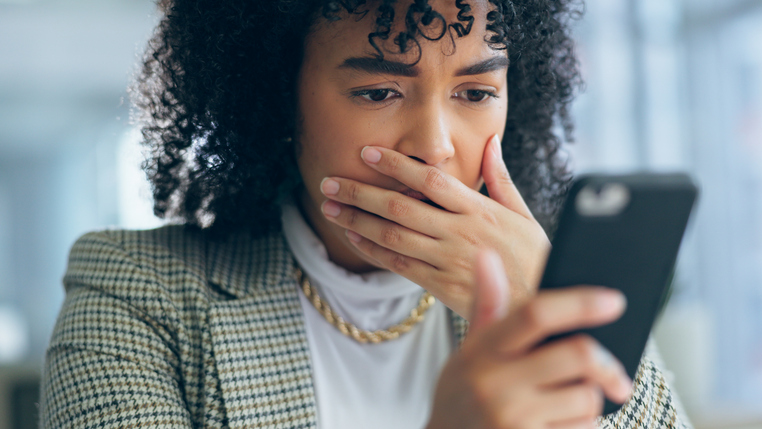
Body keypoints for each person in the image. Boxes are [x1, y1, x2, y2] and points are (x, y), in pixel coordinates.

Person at [40, 1, 691, 428]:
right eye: (379, 91)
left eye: (477, 91)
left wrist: (561, 315)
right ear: (276, 100)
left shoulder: (550, 277)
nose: (435, 144)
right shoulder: (130, 288)